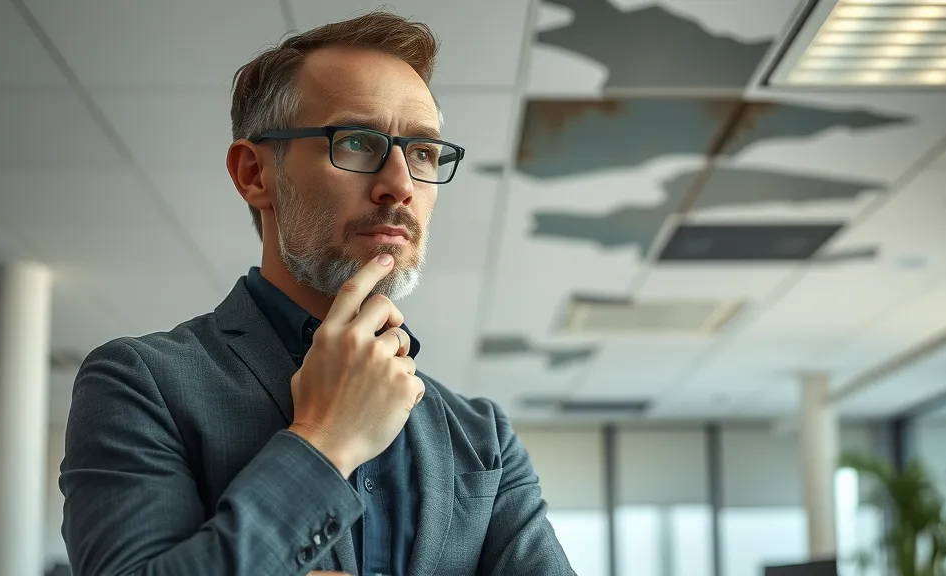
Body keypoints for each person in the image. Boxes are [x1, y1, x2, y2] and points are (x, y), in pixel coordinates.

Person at [58, 10, 575, 576]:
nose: (400, 183)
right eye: (356, 142)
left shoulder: (482, 437)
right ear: (255, 174)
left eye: (423, 152)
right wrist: (326, 441)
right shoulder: (140, 383)